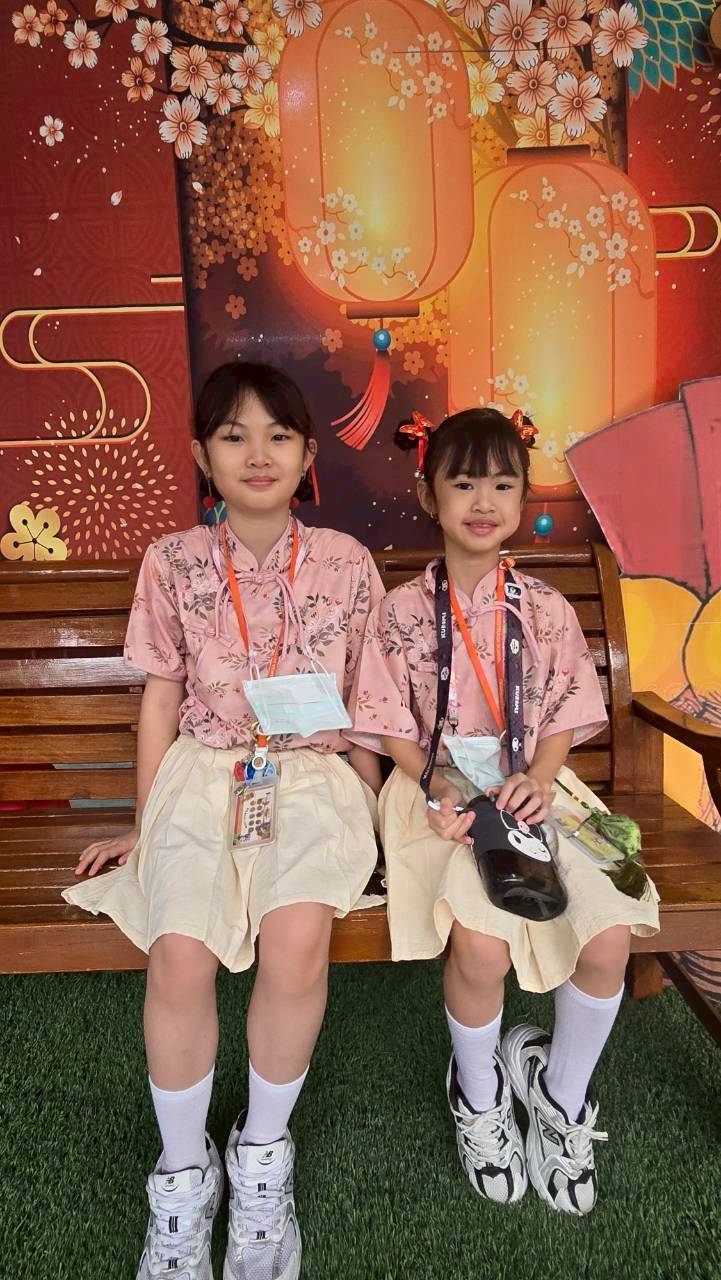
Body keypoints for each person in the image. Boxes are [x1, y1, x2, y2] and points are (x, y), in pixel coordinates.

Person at [63, 361, 384, 1280]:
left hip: (311, 775)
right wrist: (146, 823)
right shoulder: (171, 561)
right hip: (205, 773)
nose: (257, 453)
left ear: (308, 454)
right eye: (233, 435)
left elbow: (368, 704)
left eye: (278, 435)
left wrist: (370, 817)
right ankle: (182, 1175)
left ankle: (261, 1161)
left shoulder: (346, 562)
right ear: (203, 455)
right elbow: (161, 698)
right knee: (178, 948)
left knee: (296, 940)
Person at [348, 408, 659, 1216]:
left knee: (606, 936)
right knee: (480, 944)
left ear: (522, 496)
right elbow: (385, 720)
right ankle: (479, 1096)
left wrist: (542, 778)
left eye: (500, 484)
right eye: (462, 484)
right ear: (429, 495)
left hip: (534, 786)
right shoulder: (400, 609)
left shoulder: (545, 608)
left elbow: (561, 714)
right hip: (436, 790)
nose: (482, 502)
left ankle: (560, 1097)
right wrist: (435, 779)